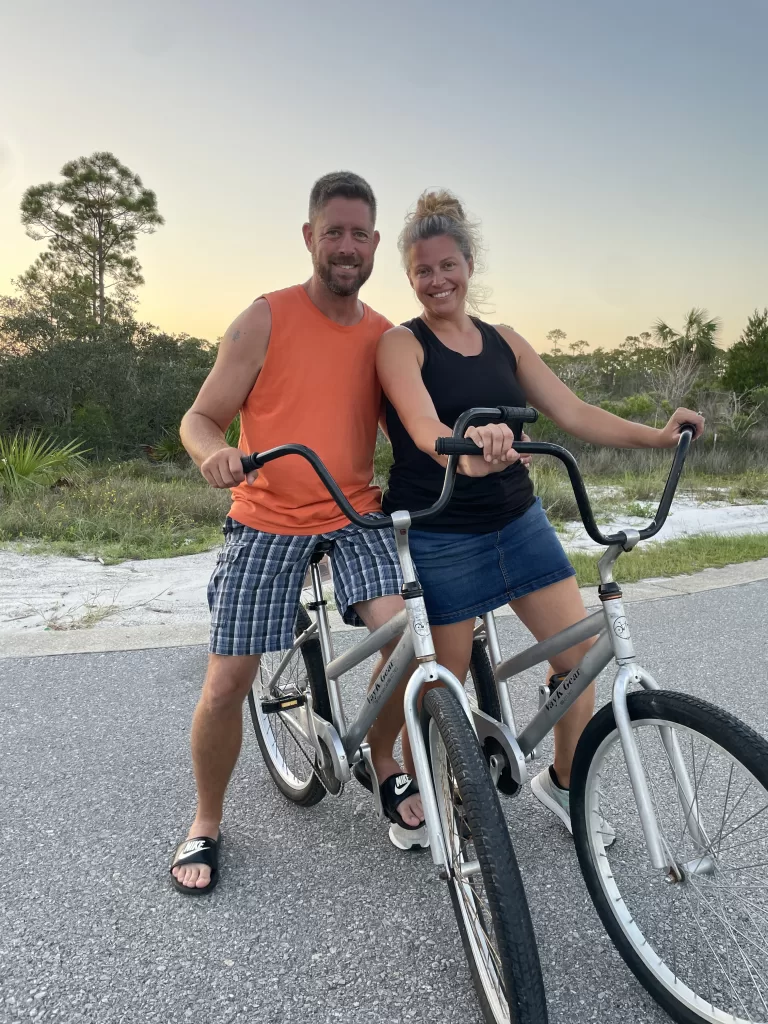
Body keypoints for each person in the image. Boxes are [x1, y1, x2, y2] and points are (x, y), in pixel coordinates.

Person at [376, 189, 705, 839]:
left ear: (469, 265)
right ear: (410, 277)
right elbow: (420, 425)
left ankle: (561, 782)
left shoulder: (506, 341)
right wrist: (468, 455)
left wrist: (659, 435)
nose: (436, 280)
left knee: (580, 653)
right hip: (440, 528)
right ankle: (432, 802)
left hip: (517, 521)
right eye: (422, 271)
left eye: (448, 266)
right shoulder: (400, 345)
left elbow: (574, 412)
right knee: (440, 683)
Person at [171, 172, 426, 894]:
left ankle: (386, 763)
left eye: (359, 234)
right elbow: (199, 418)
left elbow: (412, 427)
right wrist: (211, 452)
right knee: (228, 682)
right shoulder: (265, 318)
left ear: (375, 244)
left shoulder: (384, 336)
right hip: (266, 516)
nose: (346, 246)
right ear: (310, 236)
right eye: (333, 231)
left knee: (408, 634)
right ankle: (206, 821)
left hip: (353, 515)